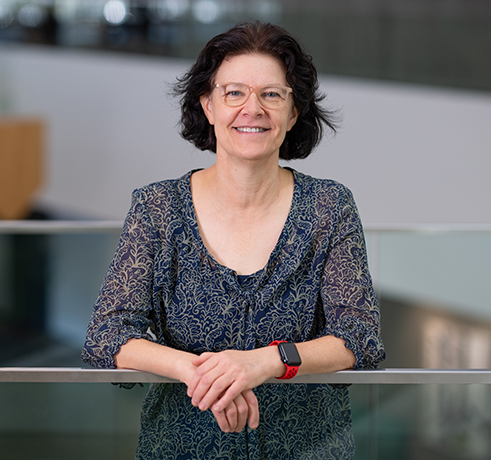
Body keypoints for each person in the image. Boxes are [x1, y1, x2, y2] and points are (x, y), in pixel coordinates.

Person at [82, 21, 385, 459]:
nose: (253, 108)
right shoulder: (157, 208)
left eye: (272, 94)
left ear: (293, 112)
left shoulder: (330, 207)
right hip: (181, 449)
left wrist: (262, 363)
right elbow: (106, 334)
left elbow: (360, 335)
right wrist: (204, 372)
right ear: (207, 105)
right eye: (235, 92)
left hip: (307, 449)